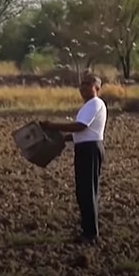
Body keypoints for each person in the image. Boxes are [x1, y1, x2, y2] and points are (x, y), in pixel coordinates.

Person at [40, 73, 107, 244]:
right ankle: (87, 230)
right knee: (84, 191)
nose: (83, 87)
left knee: (87, 191)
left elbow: (80, 126)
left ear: (97, 88)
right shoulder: (87, 106)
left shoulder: (94, 104)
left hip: (89, 149)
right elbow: (83, 132)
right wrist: (63, 138)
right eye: (82, 84)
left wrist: (52, 125)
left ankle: (90, 234)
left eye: (88, 84)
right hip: (86, 147)